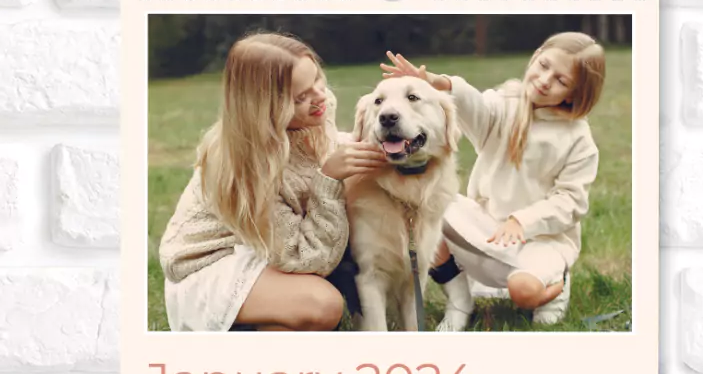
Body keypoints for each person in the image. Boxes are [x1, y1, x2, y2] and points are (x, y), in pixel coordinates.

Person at [158, 32, 385, 332]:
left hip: (266, 251)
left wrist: (412, 93)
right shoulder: (242, 163)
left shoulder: (311, 110)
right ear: (265, 106)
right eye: (299, 97)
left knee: (293, 327)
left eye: (317, 79)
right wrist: (328, 179)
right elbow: (303, 257)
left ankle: (264, 346)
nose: (319, 97)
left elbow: (323, 153)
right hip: (215, 265)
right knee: (322, 305)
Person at [381, 33, 605, 329]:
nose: (545, 79)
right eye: (544, 65)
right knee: (423, 208)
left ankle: (556, 287)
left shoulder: (578, 140)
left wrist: (522, 221)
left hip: (541, 242)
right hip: (485, 226)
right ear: (536, 55)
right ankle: (460, 300)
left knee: (523, 293)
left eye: (561, 80)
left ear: (576, 93)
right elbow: (475, 107)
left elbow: (570, 202)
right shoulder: (505, 104)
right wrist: (440, 84)